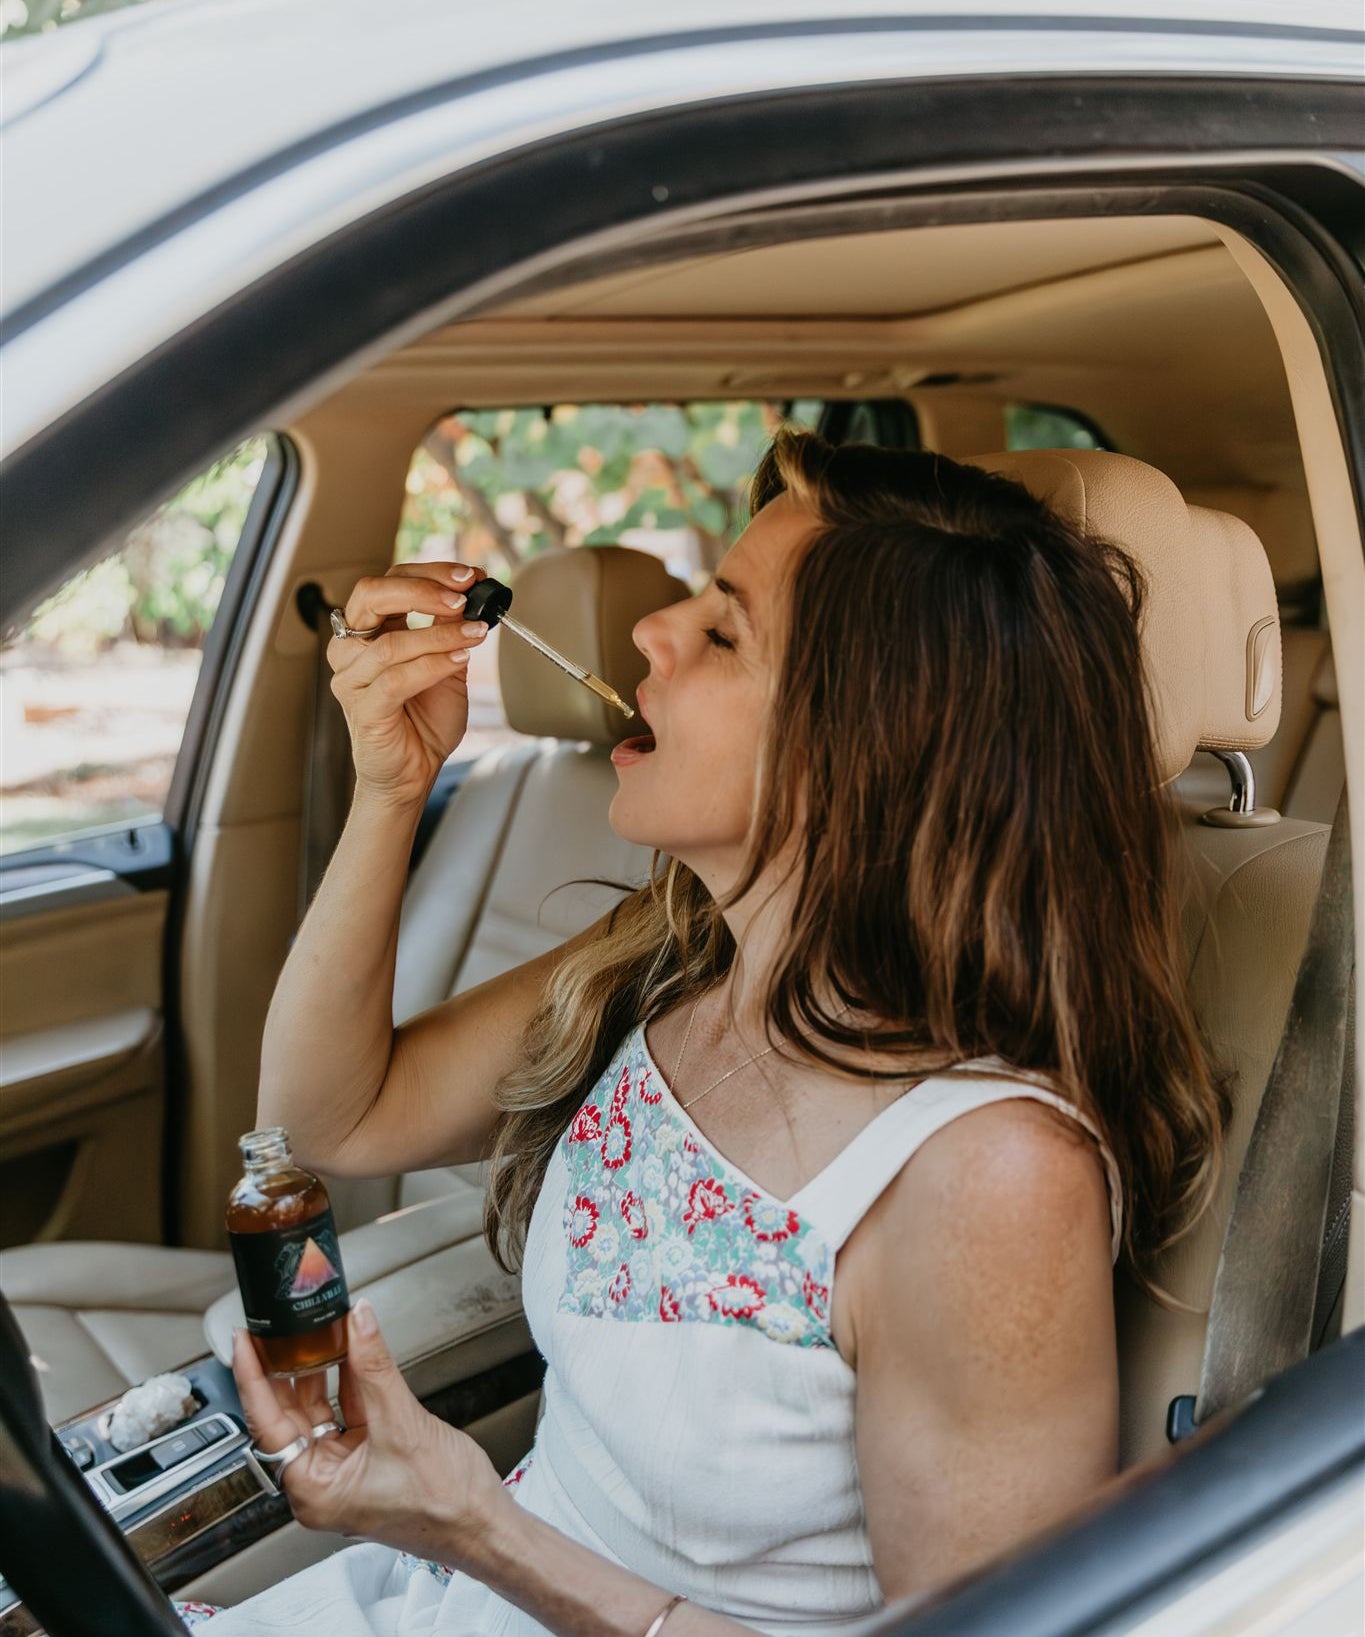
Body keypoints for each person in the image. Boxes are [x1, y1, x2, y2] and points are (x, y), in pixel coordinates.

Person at [179, 430, 1226, 1637]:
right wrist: (389, 791)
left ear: (864, 748)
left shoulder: (986, 1172)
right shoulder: (679, 961)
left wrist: (478, 1524)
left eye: (724, 631)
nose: (649, 632)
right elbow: (327, 1119)